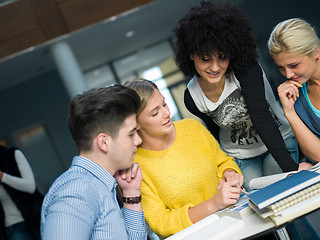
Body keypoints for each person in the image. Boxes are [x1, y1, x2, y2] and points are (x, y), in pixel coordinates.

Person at [173, 1, 305, 190]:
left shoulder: (245, 70)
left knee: (285, 198)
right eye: (205, 59)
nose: (215, 67)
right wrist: (227, 168)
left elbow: (261, 116)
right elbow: (216, 132)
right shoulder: (192, 97)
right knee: (259, 210)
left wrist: (292, 172)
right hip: (240, 155)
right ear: (191, 55)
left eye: (222, 57)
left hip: (279, 140)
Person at [123, 79, 243, 238]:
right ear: (135, 123)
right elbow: (160, 223)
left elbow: (223, 162)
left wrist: (229, 173)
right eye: (155, 112)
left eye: (164, 104)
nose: (167, 113)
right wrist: (213, 204)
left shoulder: (192, 128)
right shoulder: (135, 166)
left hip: (236, 221)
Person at [40, 86, 148, 240]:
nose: (138, 140)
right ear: (104, 142)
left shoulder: (100, 185)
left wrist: (131, 193)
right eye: (131, 134)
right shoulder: (77, 192)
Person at [268, 18, 320, 165]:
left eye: (294, 65)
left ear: (316, 51)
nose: (288, 75)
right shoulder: (294, 95)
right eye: (281, 68)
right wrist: (289, 112)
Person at [0, 145, 43, 240]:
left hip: (36, 219)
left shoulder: (13, 155)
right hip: (13, 227)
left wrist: (3, 177)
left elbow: (30, 186)